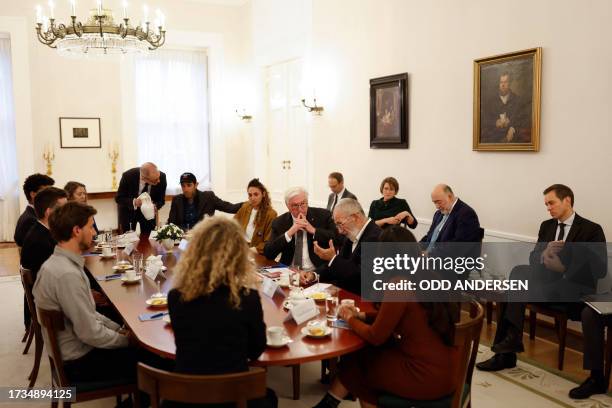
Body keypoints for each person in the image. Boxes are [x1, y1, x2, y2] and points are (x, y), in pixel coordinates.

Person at [313, 226, 460, 408]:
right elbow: (405, 314)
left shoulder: (399, 283)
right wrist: (362, 315)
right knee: (360, 358)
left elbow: (376, 337)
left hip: (423, 375)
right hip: (449, 369)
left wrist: (350, 318)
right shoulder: (426, 273)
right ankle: (329, 402)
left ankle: (329, 403)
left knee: (361, 365)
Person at [476, 185, 606, 379]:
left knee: (515, 289)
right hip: (548, 287)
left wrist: (563, 268)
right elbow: (533, 258)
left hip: (573, 291)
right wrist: (544, 254)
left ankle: (507, 351)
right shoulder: (547, 226)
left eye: (551, 203)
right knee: (519, 273)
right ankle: (508, 349)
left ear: (567, 200)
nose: (548, 208)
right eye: (546, 204)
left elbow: (600, 270)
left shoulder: (591, 230)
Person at [167, 216, 276, 408]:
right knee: (270, 396)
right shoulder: (247, 298)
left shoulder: (176, 296)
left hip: (185, 397)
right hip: (233, 397)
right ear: (237, 255)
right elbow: (256, 350)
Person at [32, 202, 137, 388]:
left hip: (73, 353)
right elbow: (90, 333)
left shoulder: (57, 264)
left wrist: (118, 329)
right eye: (90, 227)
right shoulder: (67, 275)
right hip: (78, 363)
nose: (94, 233)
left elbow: (88, 313)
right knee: (152, 363)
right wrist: (127, 340)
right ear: (77, 230)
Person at [303, 198, 381, 295]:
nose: (339, 231)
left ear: (355, 217)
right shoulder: (352, 233)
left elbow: (361, 277)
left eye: (340, 224)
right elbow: (339, 263)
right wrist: (314, 274)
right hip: (343, 293)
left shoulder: (376, 238)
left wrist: (332, 258)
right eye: (337, 225)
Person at [20, 187, 67, 330]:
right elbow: (56, 284)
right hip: (52, 307)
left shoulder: (43, 231)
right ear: (49, 212)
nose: (67, 214)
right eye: (64, 209)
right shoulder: (40, 241)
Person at [263, 187, 336, 269]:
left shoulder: (323, 215)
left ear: (307, 202)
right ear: (288, 206)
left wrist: (313, 230)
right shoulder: (279, 222)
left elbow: (336, 238)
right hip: (290, 270)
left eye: (303, 204)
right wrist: (289, 233)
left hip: (316, 270)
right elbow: (268, 254)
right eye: (295, 205)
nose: (300, 209)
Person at [420, 184, 481, 258]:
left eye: (439, 202)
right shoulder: (438, 213)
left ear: (450, 197)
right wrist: (414, 248)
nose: (437, 207)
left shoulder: (466, 214)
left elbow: (457, 248)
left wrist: (428, 255)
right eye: (434, 203)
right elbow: (429, 236)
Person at [167, 172, 242, 230]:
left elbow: (231, 208)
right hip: (183, 240)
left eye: (189, 185)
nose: (186, 189)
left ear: (196, 185)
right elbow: (171, 224)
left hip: (203, 239)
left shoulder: (208, 197)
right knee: (180, 249)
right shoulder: (177, 200)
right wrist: (185, 231)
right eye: (183, 186)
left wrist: (250, 203)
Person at [115, 162, 167, 235]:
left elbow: (161, 200)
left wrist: (155, 206)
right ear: (144, 178)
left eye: (158, 177)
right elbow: (119, 198)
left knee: (149, 239)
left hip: (148, 214)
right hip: (129, 212)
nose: (159, 181)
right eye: (155, 180)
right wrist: (134, 202)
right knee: (129, 240)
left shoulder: (162, 177)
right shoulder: (128, 176)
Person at [481, 71, 530, 143]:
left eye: (506, 82)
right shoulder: (491, 101)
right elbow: (483, 119)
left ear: (510, 83)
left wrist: (513, 128)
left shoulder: (517, 100)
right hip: (493, 137)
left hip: (513, 137)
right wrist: (495, 122)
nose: (503, 85)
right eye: (501, 82)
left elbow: (523, 120)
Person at [234, 178, 277, 254]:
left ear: (263, 194)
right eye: (250, 195)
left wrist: (251, 250)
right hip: (241, 247)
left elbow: (268, 242)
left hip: (256, 252)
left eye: (256, 194)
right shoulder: (245, 207)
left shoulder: (271, 214)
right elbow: (233, 225)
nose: (252, 198)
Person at [14, 173, 55, 247]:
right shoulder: (30, 220)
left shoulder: (34, 215)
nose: (51, 196)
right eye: (47, 193)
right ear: (33, 194)